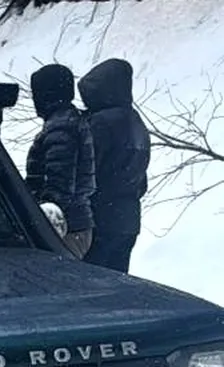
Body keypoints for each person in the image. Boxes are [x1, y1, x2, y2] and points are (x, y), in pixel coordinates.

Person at [77, 58, 151, 273]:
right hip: (128, 218)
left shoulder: (100, 123)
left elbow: (87, 169)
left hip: (100, 216)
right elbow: (141, 180)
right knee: (116, 284)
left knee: (88, 285)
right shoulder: (136, 122)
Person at [25, 63, 96, 258]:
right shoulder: (67, 122)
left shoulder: (62, 127)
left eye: (37, 93)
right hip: (71, 224)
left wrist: (41, 220)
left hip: (65, 228)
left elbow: (60, 185)